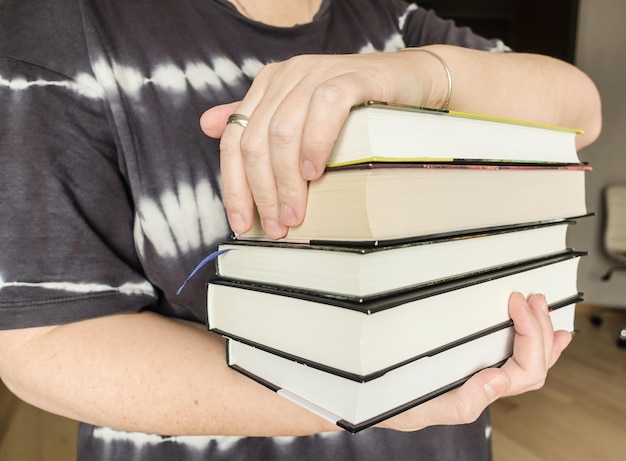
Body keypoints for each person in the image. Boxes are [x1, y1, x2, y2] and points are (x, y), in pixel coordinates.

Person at [0, 0, 601, 460]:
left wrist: (413, 74)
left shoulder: (386, 17)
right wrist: (361, 394)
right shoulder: (62, 29)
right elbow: (42, 343)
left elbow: (582, 110)